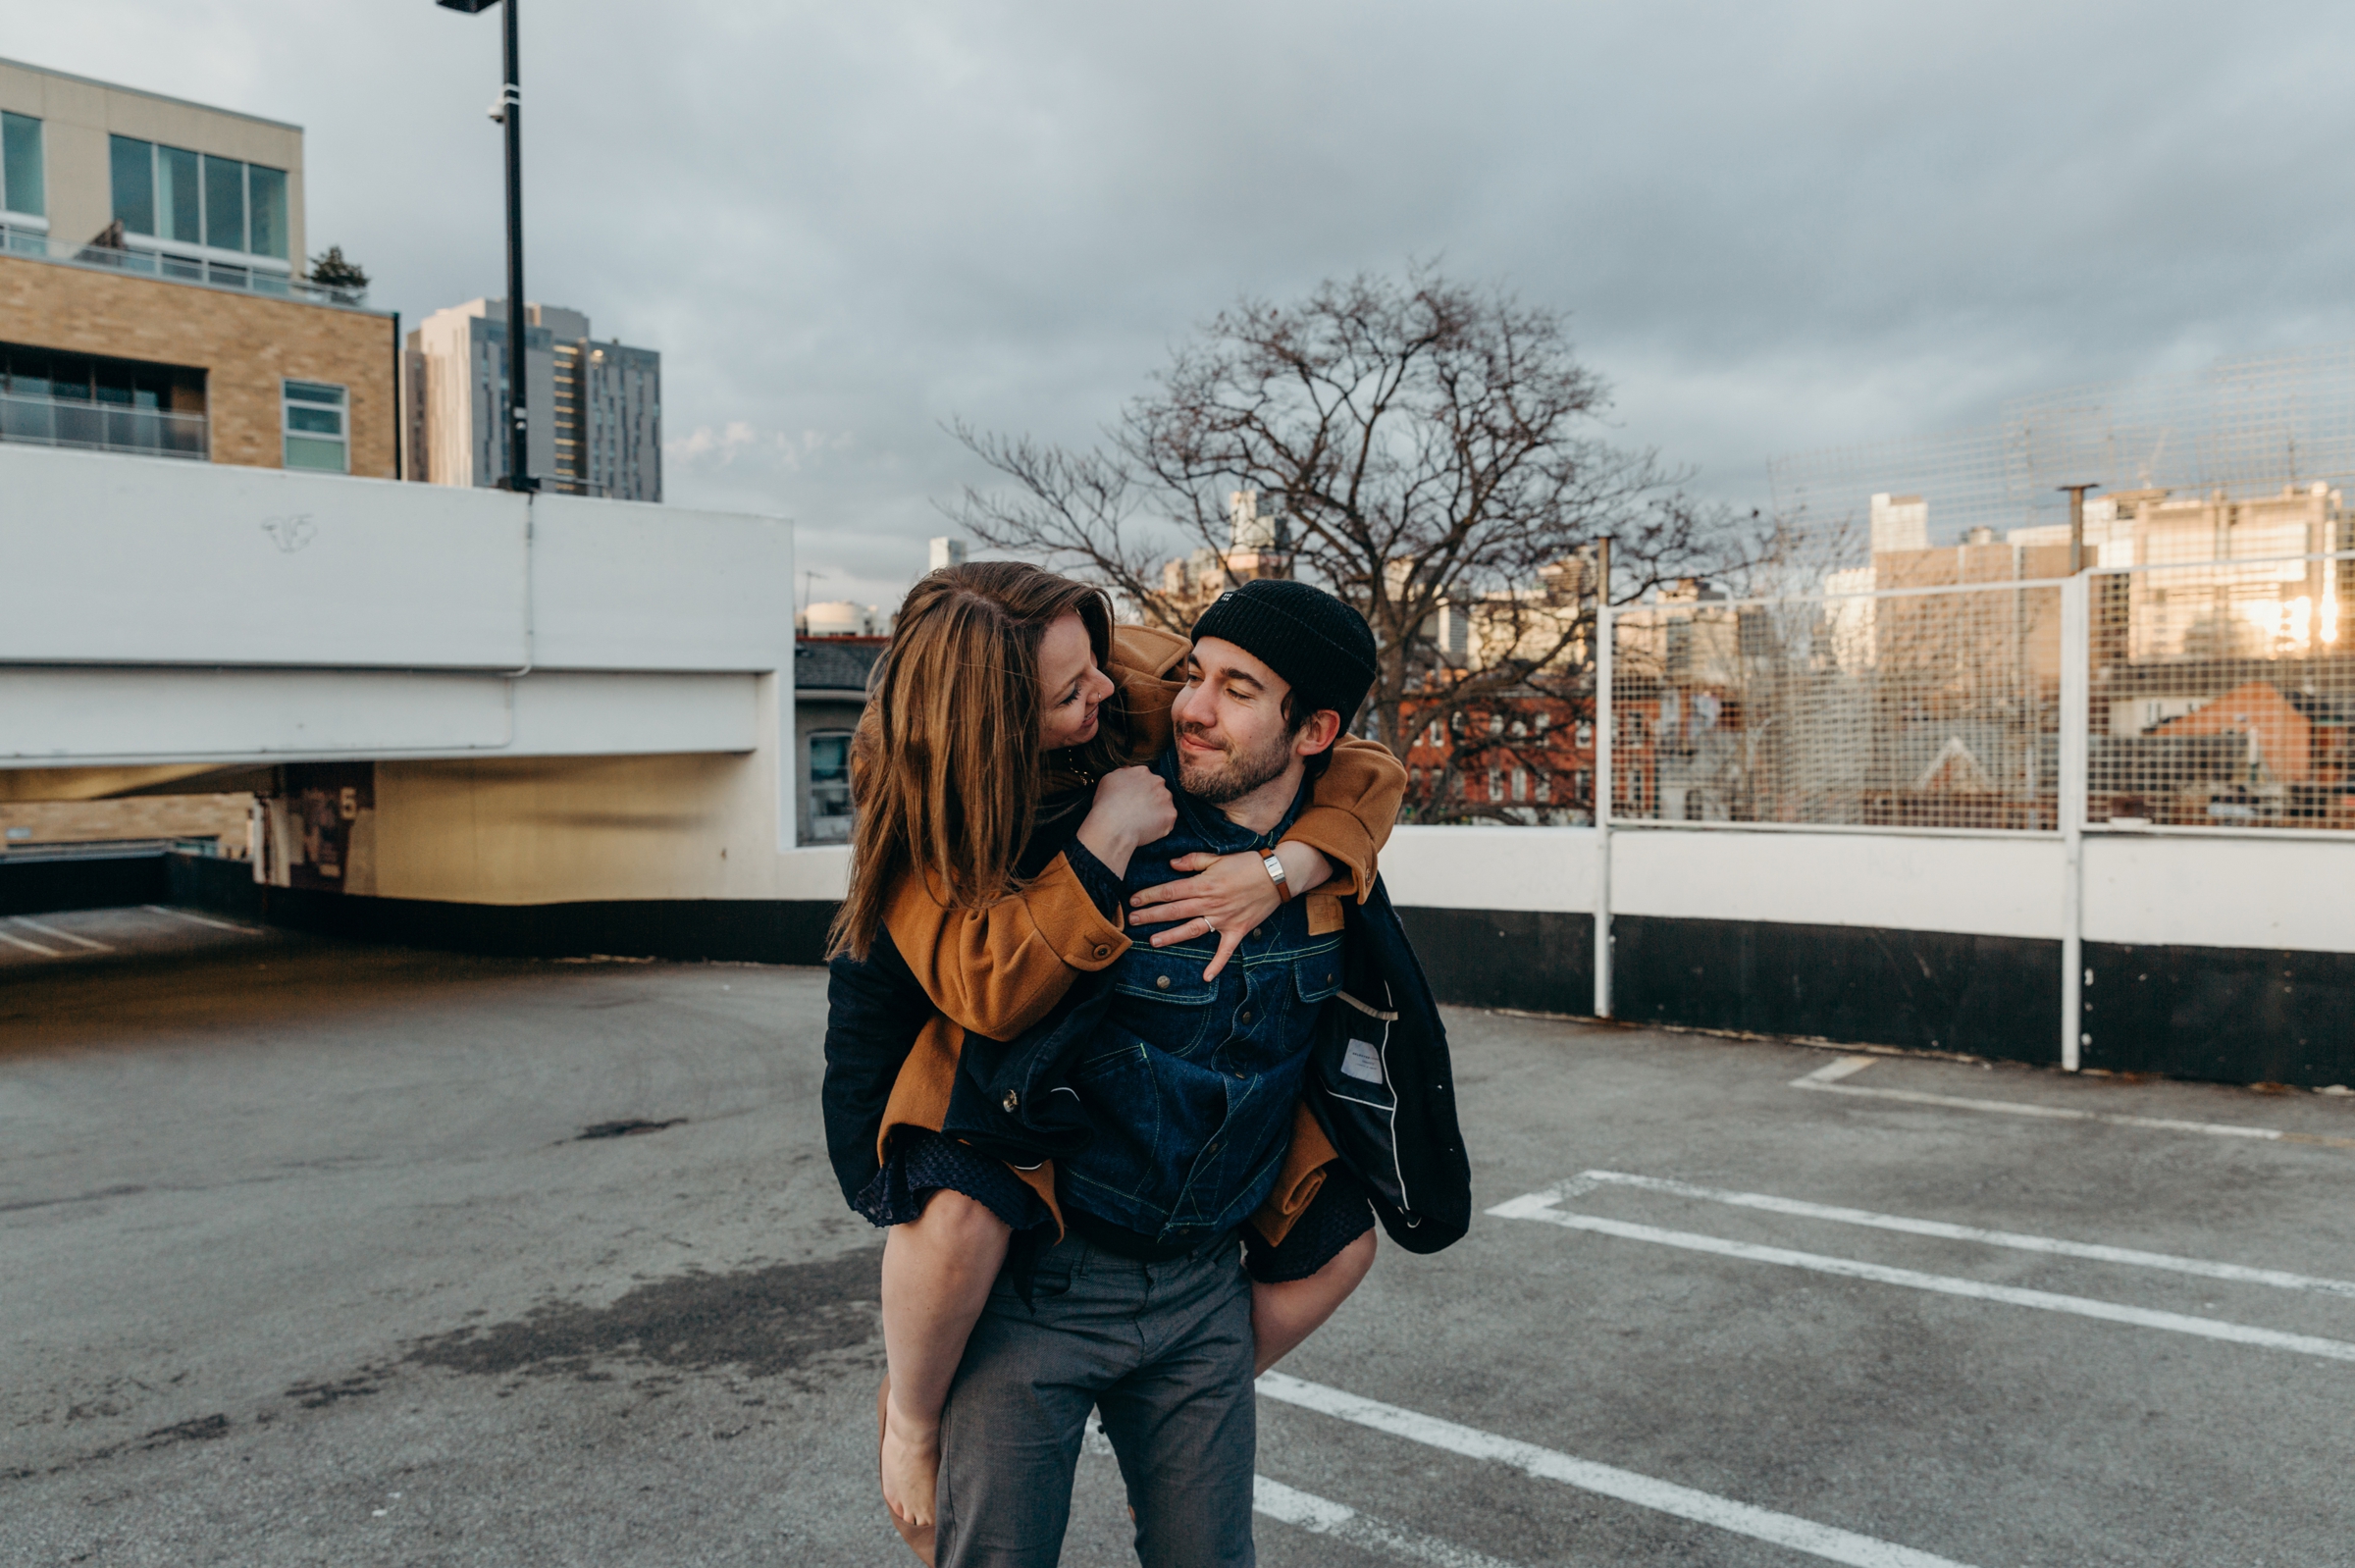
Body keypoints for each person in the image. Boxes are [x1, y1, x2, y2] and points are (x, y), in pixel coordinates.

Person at [833, 574, 1472, 1568]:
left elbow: (1369, 773)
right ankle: (912, 1413)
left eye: (1234, 687)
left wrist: (1282, 869)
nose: (1182, 705)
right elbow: (983, 987)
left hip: (1201, 1293)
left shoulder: (1279, 826)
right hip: (1035, 1295)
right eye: (1192, 676)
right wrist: (1103, 835)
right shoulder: (1006, 824)